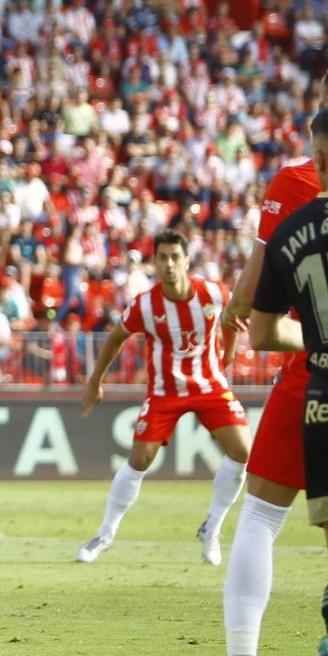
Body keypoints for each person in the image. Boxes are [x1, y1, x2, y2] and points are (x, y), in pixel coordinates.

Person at [212, 59, 328, 656]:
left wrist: (232, 318)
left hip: (312, 369)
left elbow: (252, 292)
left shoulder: (295, 182)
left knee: (262, 516)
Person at [75, 229, 249, 565]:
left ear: (186, 261)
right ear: (155, 262)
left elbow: (233, 316)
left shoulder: (213, 292)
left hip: (209, 385)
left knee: (242, 451)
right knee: (140, 459)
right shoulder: (145, 304)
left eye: (175, 257)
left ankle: (212, 527)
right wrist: (95, 381)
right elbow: (115, 338)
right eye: (163, 258)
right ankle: (105, 534)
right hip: (164, 391)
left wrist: (228, 353)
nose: (169, 264)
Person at [247, 100, 328, 656]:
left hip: (325, 398)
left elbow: (260, 333)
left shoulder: (291, 231)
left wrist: (323, 336)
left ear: (321, 158)